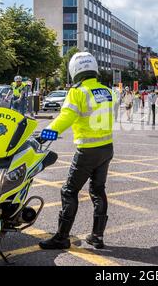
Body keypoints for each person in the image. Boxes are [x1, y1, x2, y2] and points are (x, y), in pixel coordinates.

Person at [39, 52, 115, 250]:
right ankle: (97, 236)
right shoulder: (106, 90)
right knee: (98, 191)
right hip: (106, 147)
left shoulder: (78, 91)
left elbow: (66, 117)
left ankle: (62, 237)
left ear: (74, 70)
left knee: (69, 191)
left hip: (87, 150)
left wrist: (46, 134)